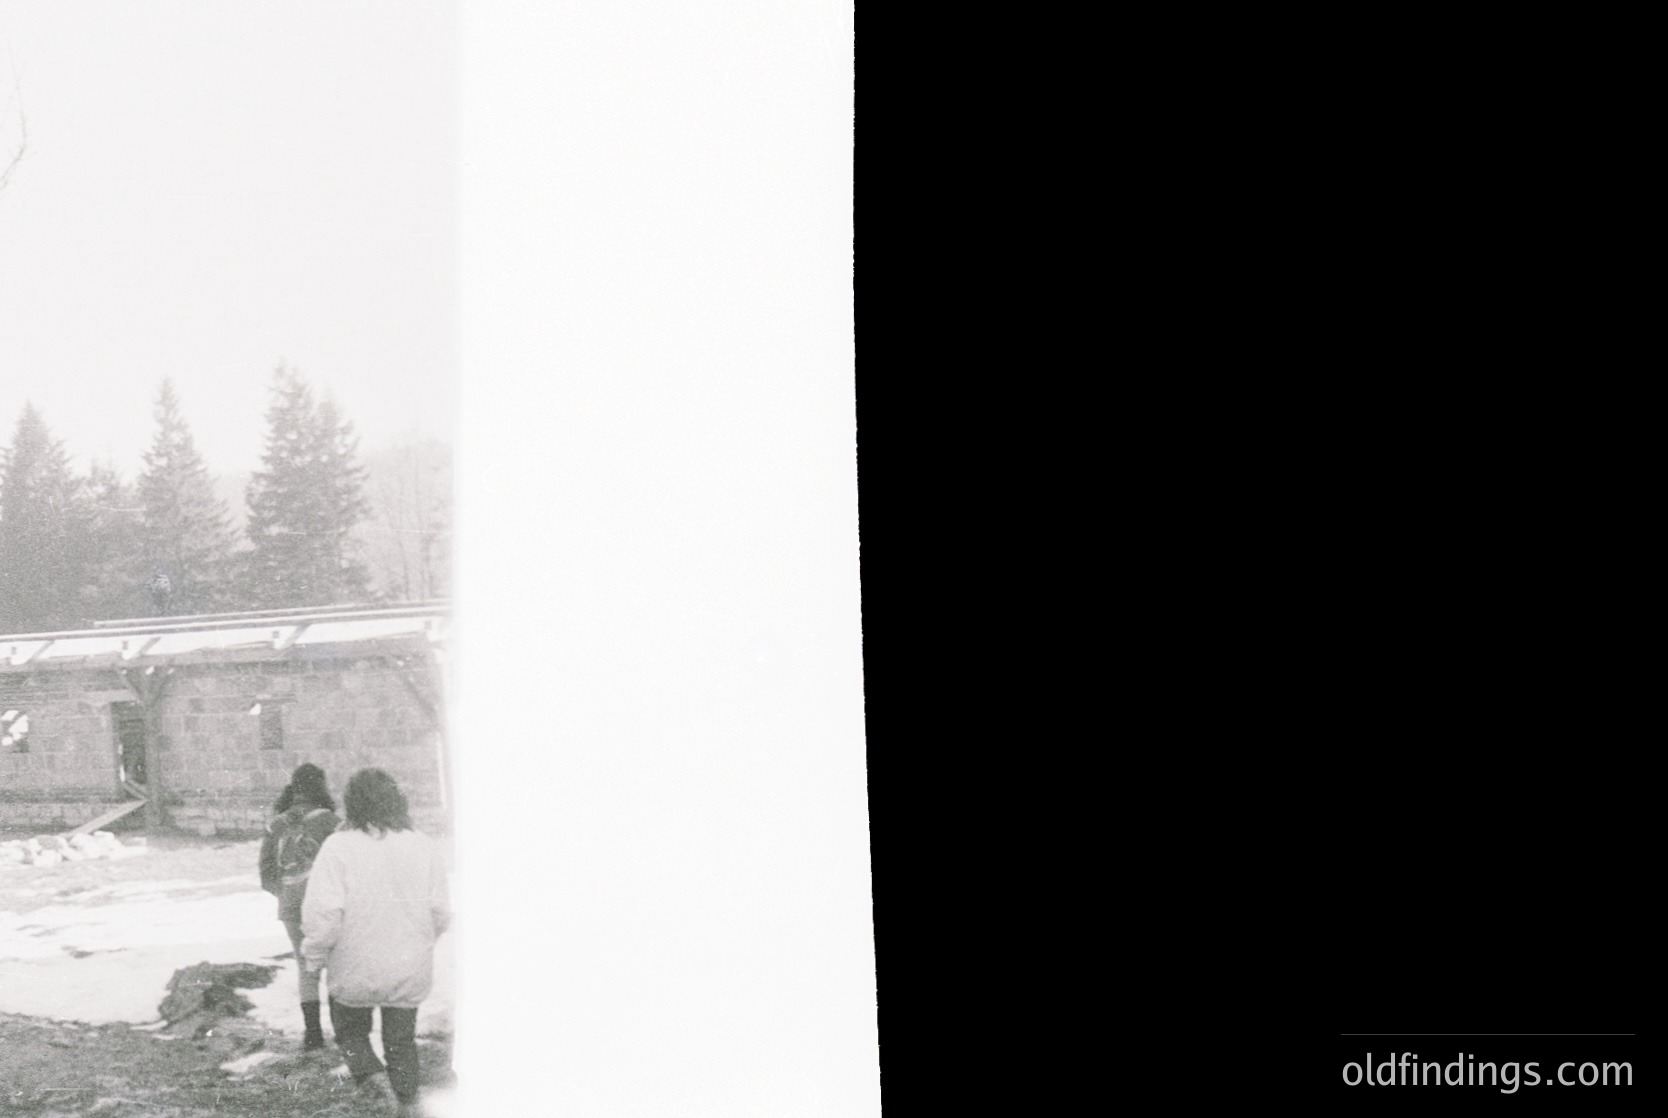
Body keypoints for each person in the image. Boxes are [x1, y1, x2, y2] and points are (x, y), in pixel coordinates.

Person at [301, 768, 451, 1116]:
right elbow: (441, 911)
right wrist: (420, 942)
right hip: (408, 965)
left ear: (351, 804)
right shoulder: (423, 845)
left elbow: (324, 912)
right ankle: (409, 1104)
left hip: (354, 963)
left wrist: (315, 954)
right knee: (401, 1041)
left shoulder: (338, 847)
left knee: (350, 1033)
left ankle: (373, 1081)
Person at [258, 763, 341, 1051]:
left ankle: (313, 1033)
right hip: (325, 904)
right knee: (335, 963)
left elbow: (266, 871)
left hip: (290, 904)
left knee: (305, 966)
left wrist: (285, 892)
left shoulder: (276, 823)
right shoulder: (331, 822)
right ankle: (342, 1030)